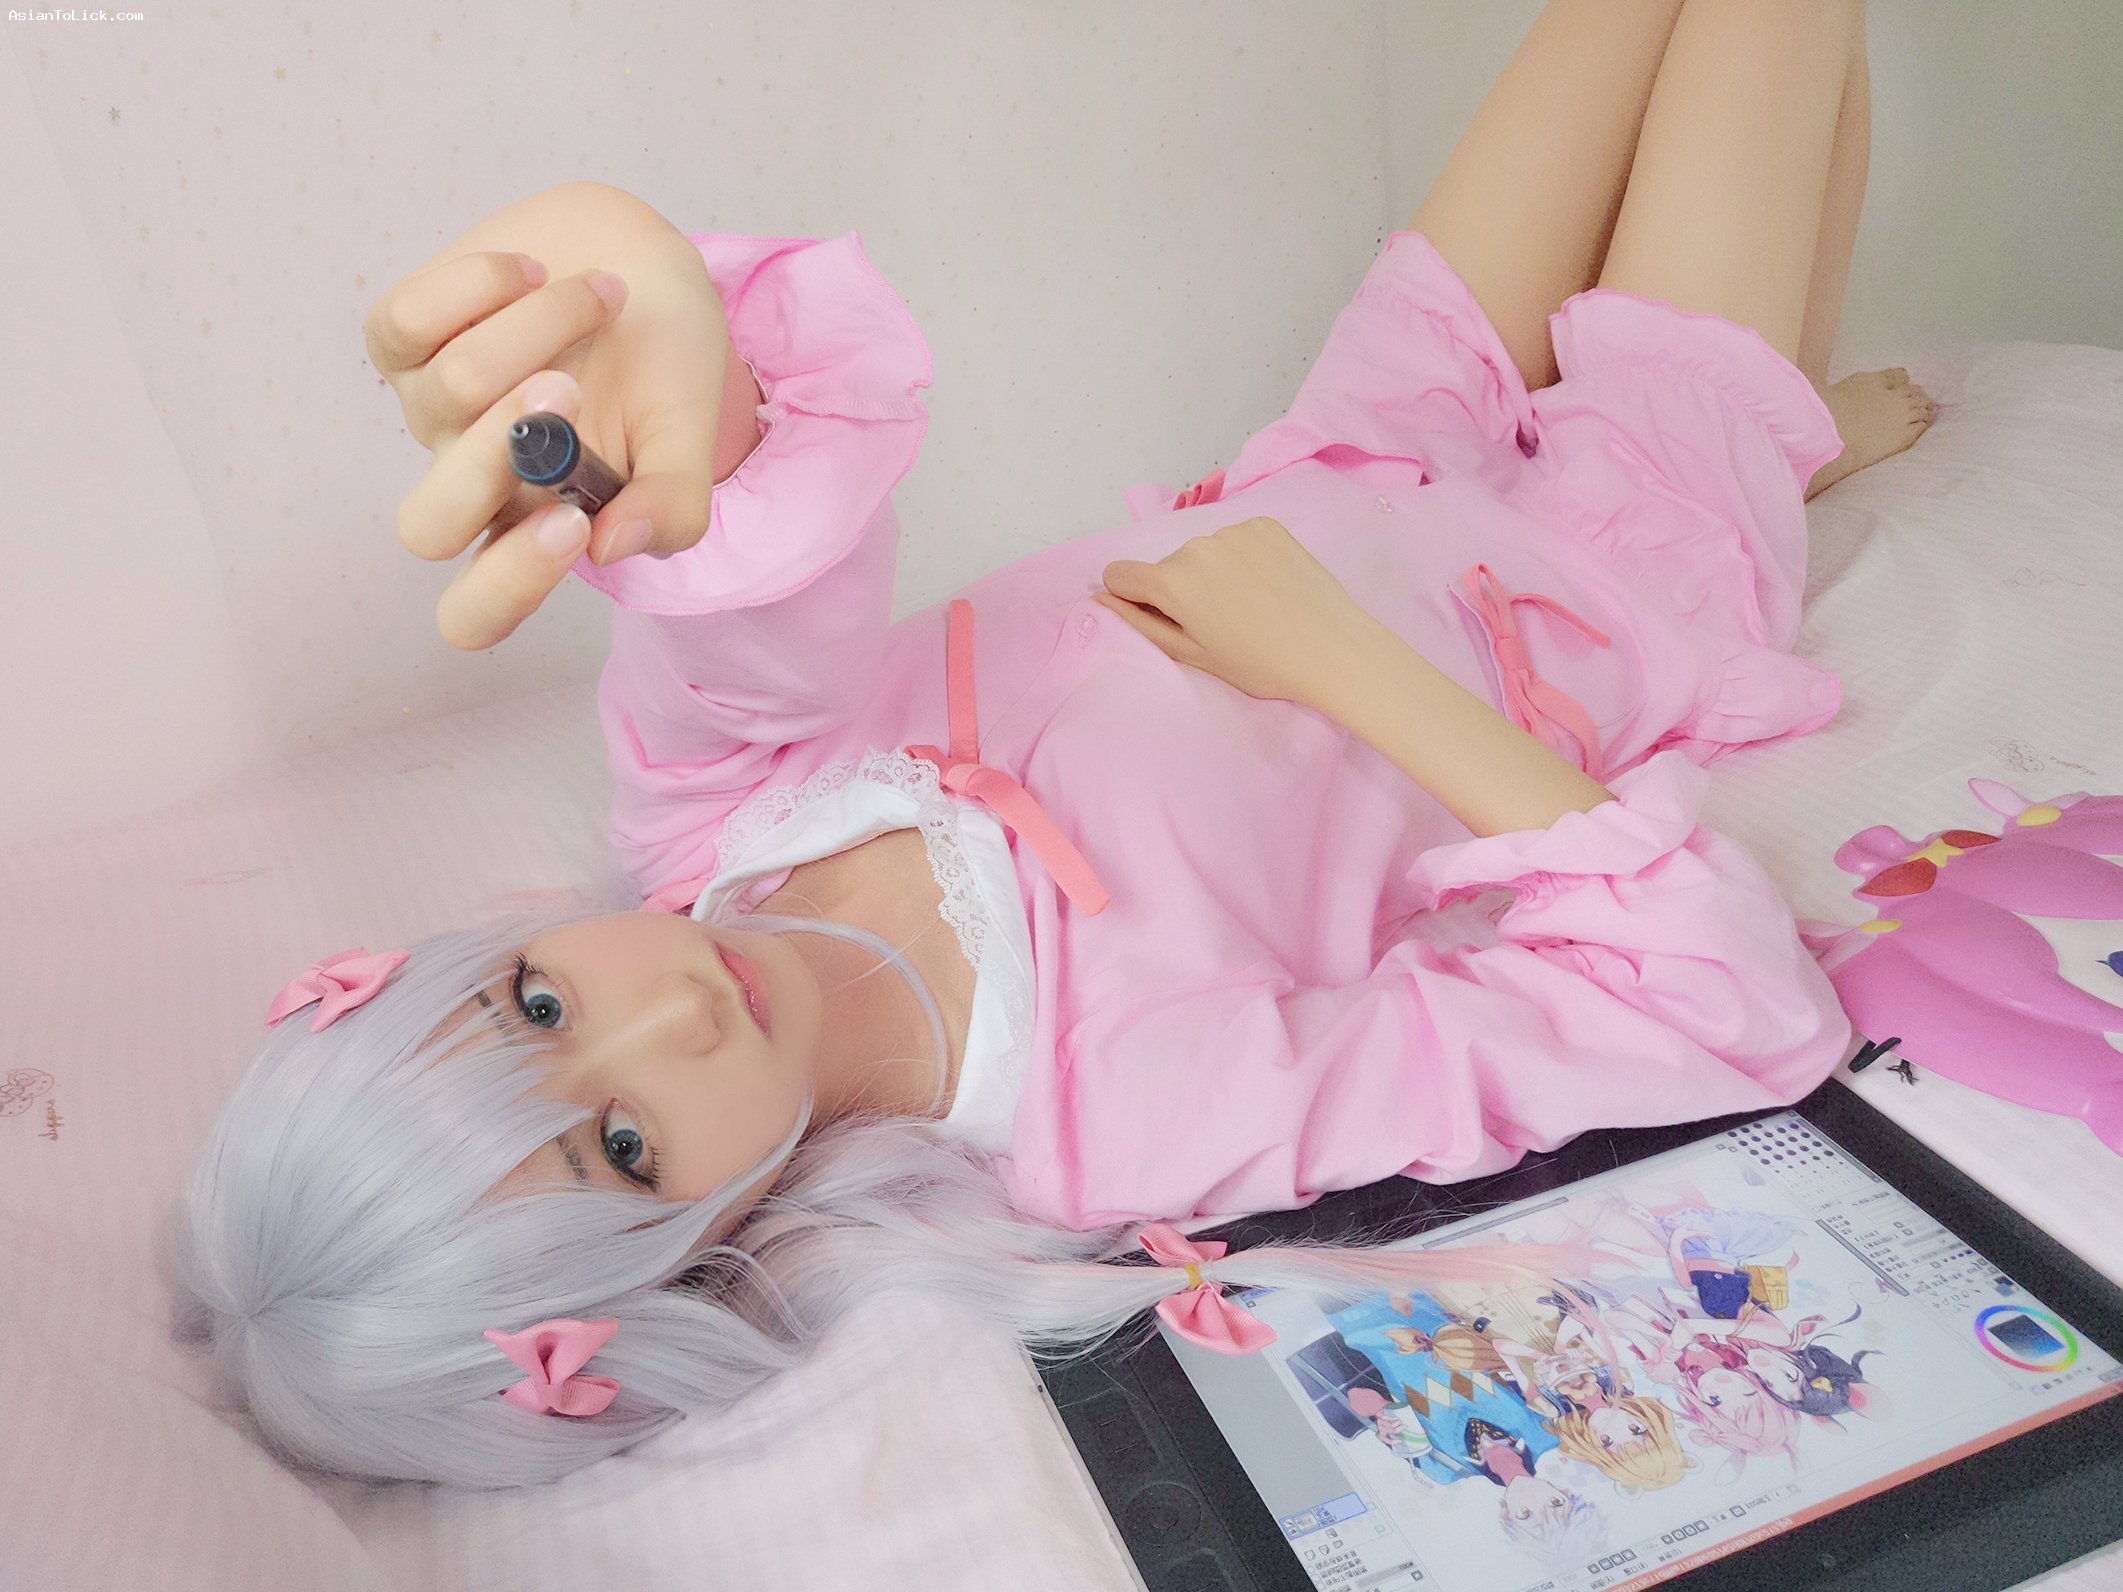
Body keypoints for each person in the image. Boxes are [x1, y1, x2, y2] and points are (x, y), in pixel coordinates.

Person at [169, 0, 1928, 1490]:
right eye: (628, 1147)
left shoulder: (716, 808)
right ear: (686, 1277)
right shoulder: (1113, 1114)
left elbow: (743, 555)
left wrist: (675, 348)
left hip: (1359, 433)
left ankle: (1788, 423)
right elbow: (1724, 1006)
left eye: (540, 1003)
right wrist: (1337, 665)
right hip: (1605, 575)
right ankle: (1765, 452)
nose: (671, 1008)